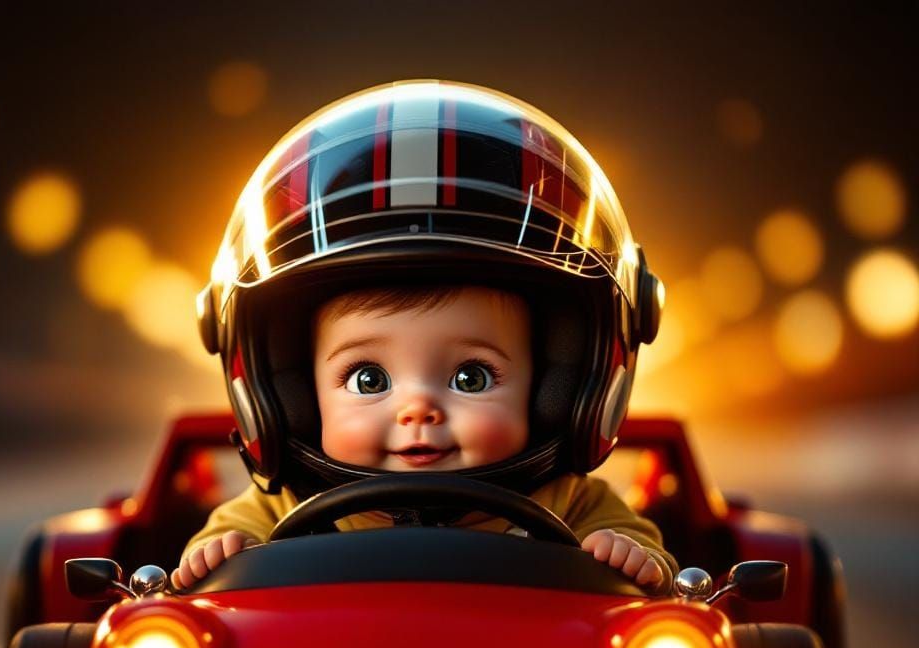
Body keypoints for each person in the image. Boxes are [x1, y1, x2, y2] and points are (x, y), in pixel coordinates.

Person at [172, 80, 677, 592]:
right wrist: (222, 556)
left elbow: (651, 572)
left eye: (471, 376)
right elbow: (212, 561)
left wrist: (629, 556)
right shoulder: (275, 508)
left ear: (557, 391)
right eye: (369, 379)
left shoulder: (576, 503)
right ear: (288, 397)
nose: (418, 409)